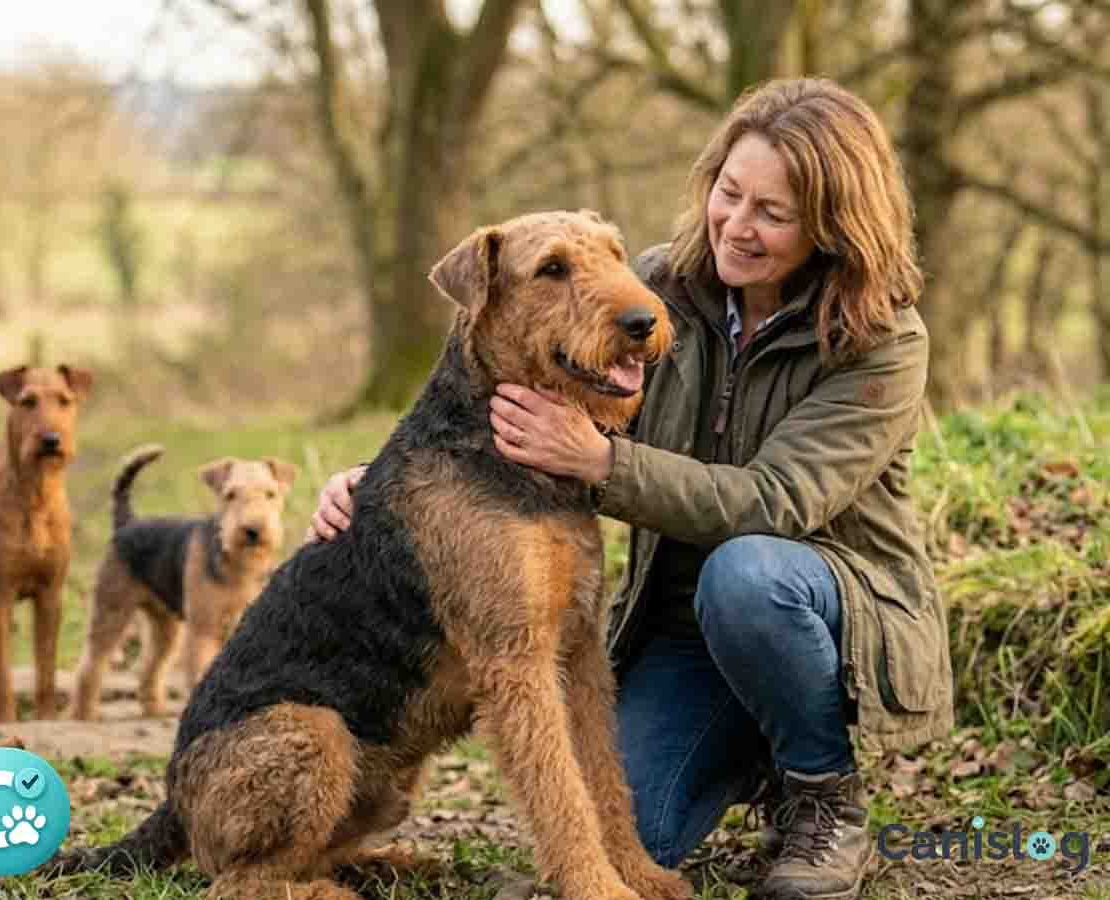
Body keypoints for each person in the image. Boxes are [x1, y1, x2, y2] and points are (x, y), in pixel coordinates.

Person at [307, 77, 954, 900]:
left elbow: (778, 502)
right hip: (677, 627)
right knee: (631, 839)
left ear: (832, 224)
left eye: (773, 213)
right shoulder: (655, 288)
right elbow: (525, 399)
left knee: (748, 574)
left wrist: (602, 465)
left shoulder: (883, 339)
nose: (737, 225)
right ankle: (746, 751)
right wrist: (386, 487)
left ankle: (822, 794)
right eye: (729, 193)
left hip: (820, 609)